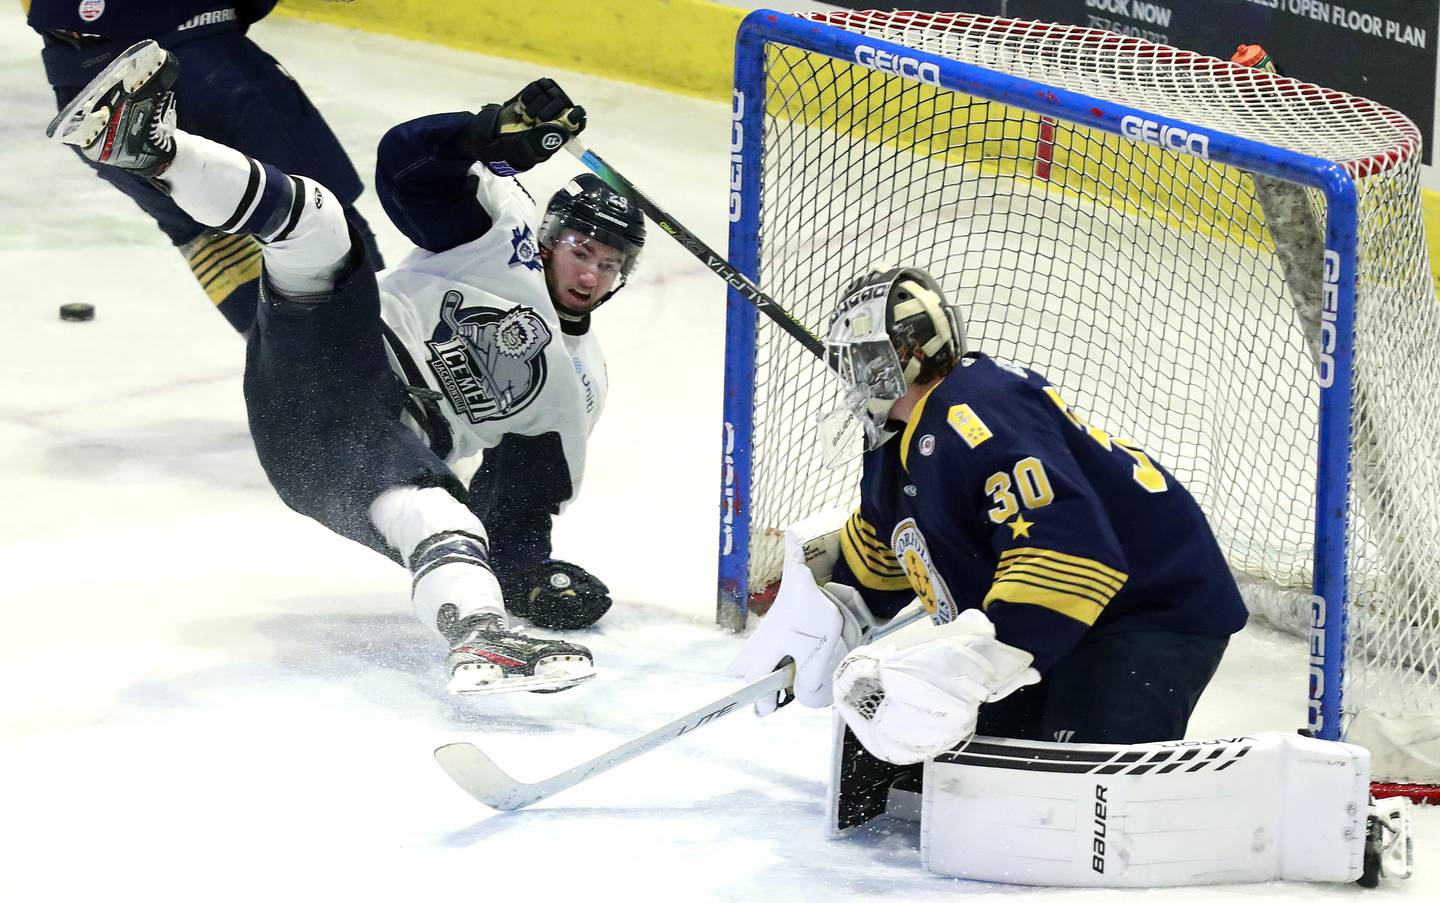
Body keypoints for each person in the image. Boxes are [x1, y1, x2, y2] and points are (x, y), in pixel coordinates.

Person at [48, 40, 645, 695]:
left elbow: (517, 511)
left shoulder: (580, 387)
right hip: (333, 349)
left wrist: (530, 575)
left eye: (610, 263)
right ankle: (147, 146)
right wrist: (483, 134)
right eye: (582, 249)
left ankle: (481, 632)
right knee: (319, 221)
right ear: (551, 234)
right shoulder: (497, 238)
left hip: (350, 448)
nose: (591, 273)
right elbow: (407, 167)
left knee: (433, 509)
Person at [729, 266, 1248, 764]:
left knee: (1066, 792)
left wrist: (975, 660)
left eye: (861, 361)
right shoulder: (895, 442)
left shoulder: (977, 412)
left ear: (900, 358)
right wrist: (824, 614)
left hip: (1146, 613)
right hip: (1057, 624)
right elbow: (884, 555)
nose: (851, 379)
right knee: (970, 775)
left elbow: (1073, 553)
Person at [25, 0, 383, 333]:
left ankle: (303, 390)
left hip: (83, 81)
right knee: (318, 211)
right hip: (201, 51)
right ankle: (385, 370)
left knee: (207, 232)